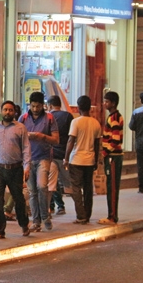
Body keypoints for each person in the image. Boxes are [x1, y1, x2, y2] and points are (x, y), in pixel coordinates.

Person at [0, 101, 31, 239]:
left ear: (15, 112)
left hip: (15, 169)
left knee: (18, 199)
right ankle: (0, 230)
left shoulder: (20, 128)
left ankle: (24, 224)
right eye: (5, 109)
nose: (8, 112)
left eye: (10, 110)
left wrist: (27, 167)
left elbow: (26, 148)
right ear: (2, 111)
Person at [19, 92, 59, 232]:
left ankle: (45, 217)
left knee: (42, 187)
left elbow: (56, 140)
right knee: (32, 192)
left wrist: (42, 137)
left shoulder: (49, 118)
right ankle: (36, 221)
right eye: (33, 106)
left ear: (43, 105)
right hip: (28, 159)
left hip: (44, 157)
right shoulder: (23, 118)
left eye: (38, 106)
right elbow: (17, 138)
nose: (35, 109)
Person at [63, 95, 102, 224]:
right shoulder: (96, 123)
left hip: (76, 159)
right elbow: (97, 145)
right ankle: (87, 214)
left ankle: (81, 215)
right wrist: (96, 160)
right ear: (89, 107)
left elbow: (70, 141)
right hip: (90, 161)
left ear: (79, 107)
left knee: (75, 188)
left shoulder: (76, 122)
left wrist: (66, 158)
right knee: (88, 188)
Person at [99, 91, 124, 225]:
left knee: (112, 187)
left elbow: (115, 140)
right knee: (111, 187)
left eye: (107, 101)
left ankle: (112, 217)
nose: (105, 103)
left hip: (113, 157)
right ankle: (111, 215)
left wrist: (105, 152)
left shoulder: (114, 118)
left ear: (113, 103)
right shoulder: (114, 116)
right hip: (113, 156)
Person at [47, 95, 74, 215]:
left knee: (51, 184)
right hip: (65, 155)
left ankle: (49, 208)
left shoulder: (48, 117)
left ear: (50, 105)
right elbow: (72, 137)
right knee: (69, 184)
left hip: (51, 155)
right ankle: (80, 210)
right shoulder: (68, 116)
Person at [129, 92, 143, 194]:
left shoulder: (136, 112)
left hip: (140, 142)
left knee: (140, 164)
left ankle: (141, 187)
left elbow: (131, 126)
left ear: (141, 100)